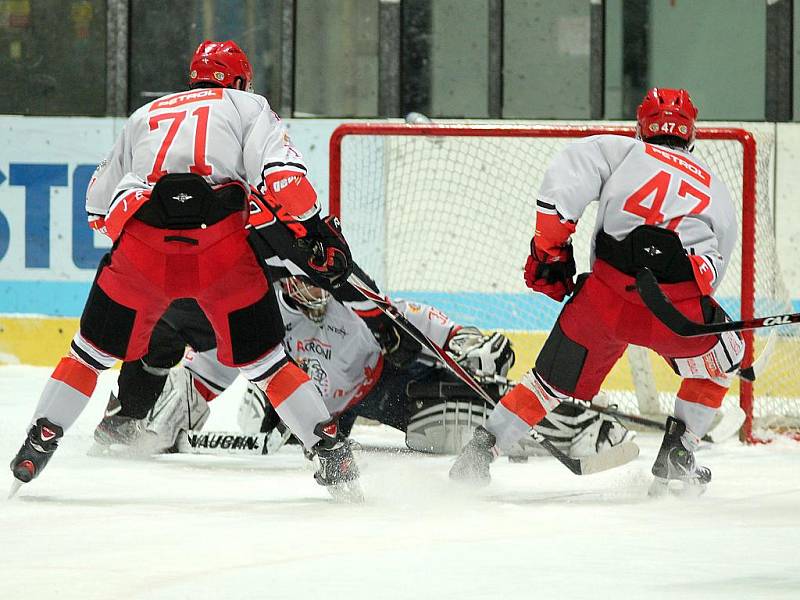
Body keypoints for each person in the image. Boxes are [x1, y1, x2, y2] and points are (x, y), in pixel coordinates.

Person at [10, 40, 362, 502]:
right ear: (238, 80)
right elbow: (284, 180)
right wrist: (314, 228)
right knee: (268, 365)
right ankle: (330, 452)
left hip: (142, 254)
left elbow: (97, 206)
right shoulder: (248, 106)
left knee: (88, 355)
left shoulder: (145, 115)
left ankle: (40, 440)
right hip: (222, 254)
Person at [449, 88, 744, 495]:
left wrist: (550, 251)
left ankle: (481, 450)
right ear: (692, 134)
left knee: (546, 384)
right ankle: (681, 451)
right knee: (725, 359)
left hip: (604, 301)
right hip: (674, 312)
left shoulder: (621, 150)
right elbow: (712, 272)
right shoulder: (716, 188)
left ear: (641, 127)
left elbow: (558, 198)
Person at [92, 271, 631, 460]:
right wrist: (165, 425)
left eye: (313, 281)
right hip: (327, 412)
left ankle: (566, 427)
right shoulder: (259, 320)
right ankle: (150, 418)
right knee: (256, 418)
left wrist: (472, 344)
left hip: (393, 390)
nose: (308, 292)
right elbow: (211, 370)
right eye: (295, 282)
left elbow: (430, 325)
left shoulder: (356, 300)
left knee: (443, 431)